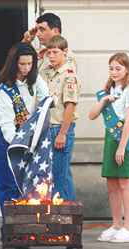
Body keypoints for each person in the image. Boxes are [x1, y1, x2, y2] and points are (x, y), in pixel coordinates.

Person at [0, 42, 49, 216]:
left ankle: (24, 224)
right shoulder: (5, 90)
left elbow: (46, 97)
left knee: (26, 182)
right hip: (6, 138)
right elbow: (7, 126)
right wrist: (21, 145)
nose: (26, 68)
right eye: (22, 64)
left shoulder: (33, 79)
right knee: (8, 183)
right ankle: (10, 225)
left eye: (30, 64)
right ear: (14, 63)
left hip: (26, 136)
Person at [88, 52, 129, 243]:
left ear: (127, 70)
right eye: (111, 68)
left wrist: (122, 148)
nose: (114, 72)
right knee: (112, 183)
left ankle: (128, 228)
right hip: (111, 137)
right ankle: (116, 224)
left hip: (125, 137)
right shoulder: (107, 91)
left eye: (118, 68)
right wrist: (104, 100)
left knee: (125, 182)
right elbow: (91, 115)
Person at [41, 36, 79, 201]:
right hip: (46, 128)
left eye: (55, 52)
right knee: (50, 176)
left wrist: (62, 133)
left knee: (60, 177)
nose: (51, 56)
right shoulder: (46, 72)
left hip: (59, 128)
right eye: (49, 52)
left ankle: (67, 219)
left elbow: (70, 106)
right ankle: (58, 217)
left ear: (65, 53)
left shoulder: (69, 75)